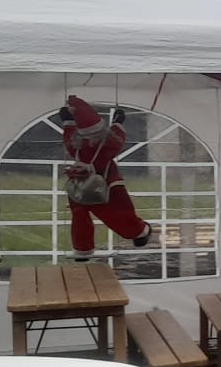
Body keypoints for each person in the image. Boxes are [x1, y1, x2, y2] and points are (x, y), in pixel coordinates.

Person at [59, 96, 154, 261]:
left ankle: (82, 249)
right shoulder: (108, 143)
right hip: (107, 182)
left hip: (79, 182)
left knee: (79, 216)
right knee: (119, 212)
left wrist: (67, 121)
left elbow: (69, 137)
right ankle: (137, 231)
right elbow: (118, 139)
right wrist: (118, 122)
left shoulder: (76, 143)